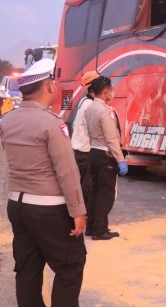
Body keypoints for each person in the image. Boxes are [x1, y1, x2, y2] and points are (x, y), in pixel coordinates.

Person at [0, 59, 87, 307]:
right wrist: (78, 210)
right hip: (50, 209)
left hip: (17, 205)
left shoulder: (7, 120)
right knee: (70, 266)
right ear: (49, 86)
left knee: (27, 268)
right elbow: (67, 173)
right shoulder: (52, 124)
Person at [84, 76, 128, 240]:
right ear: (106, 91)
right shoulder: (106, 111)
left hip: (94, 152)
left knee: (94, 192)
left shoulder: (90, 108)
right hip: (105, 155)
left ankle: (91, 227)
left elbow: (90, 133)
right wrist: (120, 159)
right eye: (111, 89)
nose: (112, 93)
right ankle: (100, 231)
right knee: (106, 195)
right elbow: (111, 138)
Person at [72, 71, 98, 233]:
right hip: (85, 151)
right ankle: (83, 216)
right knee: (87, 187)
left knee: (81, 185)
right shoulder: (90, 105)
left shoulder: (83, 102)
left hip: (78, 150)